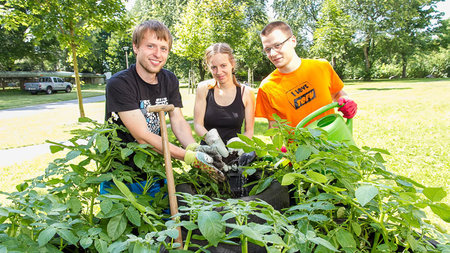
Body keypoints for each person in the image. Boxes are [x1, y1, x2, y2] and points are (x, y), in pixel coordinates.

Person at [105, 20, 225, 190]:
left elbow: (178, 120)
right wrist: (189, 157)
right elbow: (142, 136)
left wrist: (193, 147)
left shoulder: (169, 80)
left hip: (156, 170)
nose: (157, 54)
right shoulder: (120, 84)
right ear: (135, 47)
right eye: (150, 46)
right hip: (121, 175)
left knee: (167, 215)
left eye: (163, 48)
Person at [255, 21, 357, 129]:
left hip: (333, 140)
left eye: (277, 45)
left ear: (293, 41)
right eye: (268, 49)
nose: (273, 53)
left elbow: (337, 94)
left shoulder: (321, 66)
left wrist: (347, 101)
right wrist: (278, 145)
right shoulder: (267, 87)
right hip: (298, 146)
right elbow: (274, 126)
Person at [193, 43, 255, 146]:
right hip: (209, 152)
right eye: (213, 67)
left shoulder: (246, 93)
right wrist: (215, 143)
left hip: (234, 154)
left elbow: (249, 131)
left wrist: (238, 148)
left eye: (223, 65)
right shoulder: (203, 89)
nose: (219, 72)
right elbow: (198, 125)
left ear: (232, 64)